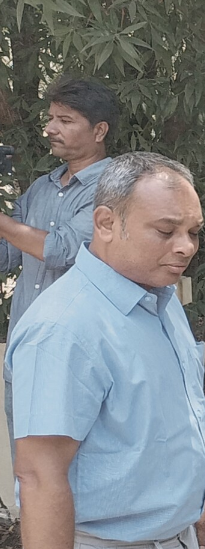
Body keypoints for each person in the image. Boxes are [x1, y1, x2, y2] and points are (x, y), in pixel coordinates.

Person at [8, 152, 205, 549]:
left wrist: (203, 495)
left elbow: (175, 412)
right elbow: (40, 477)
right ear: (105, 223)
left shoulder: (159, 299)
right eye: (166, 231)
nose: (185, 247)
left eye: (193, 232)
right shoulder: (66, 330)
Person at [2, 76, 118, 450]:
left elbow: (60, 249)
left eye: (65, 120)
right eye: (51, 118)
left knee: (77, 474)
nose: (51, 129)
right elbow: (6, 257)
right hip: (26, 350)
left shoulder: (115, 190)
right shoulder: (40, 188)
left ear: (99, 130)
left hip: (77, 356)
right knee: (30, 474)